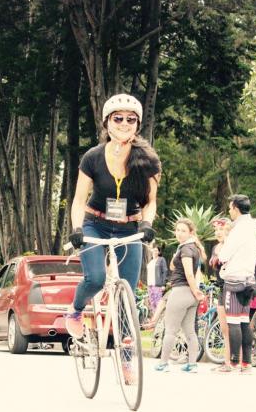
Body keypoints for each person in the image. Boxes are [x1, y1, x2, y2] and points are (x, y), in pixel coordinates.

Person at [65, 93, 161, 339]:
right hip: (95, 225)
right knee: (96, 279)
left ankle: (128, 352)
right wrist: (77, 229)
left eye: (131, 119)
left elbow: (151, 202)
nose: (124, 124)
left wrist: (147, 223)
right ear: (107, 122)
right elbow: (78, 201)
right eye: (118, 118)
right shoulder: (93, 157)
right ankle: (76, 310)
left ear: (138, 125)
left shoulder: (148, 160)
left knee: (127, 293)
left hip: (129, 228)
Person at [154, 219, 204, 372]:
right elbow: (172, 266)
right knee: (190, 331)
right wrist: (195, 293)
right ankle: (192, 364)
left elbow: (189, 273)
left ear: (190, 232)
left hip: (181, 291)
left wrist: (196, 290)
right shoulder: (191, 247)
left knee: (170, 330)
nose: (179, 233)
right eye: (178, 230)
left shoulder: (186, 249)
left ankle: (163, 364)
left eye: (183, 230)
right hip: (190, 295)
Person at [217, 194, 256, 373]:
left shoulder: (239, 228)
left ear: (235, 208)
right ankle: (247, 363)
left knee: (233, 321)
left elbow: (224, 255)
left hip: (234, 279)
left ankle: (233, 362)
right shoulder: (255, 225)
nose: (229, 211)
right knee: (244, 321)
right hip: (249, 279)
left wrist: (222, 254)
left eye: (230, 208)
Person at [208, 218, 233, 371]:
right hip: (221, 288)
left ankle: (232, 362)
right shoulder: (216, 247)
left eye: (221, 230)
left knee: (233, 327)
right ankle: (227, 361)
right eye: (216, 230)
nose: (218, 232)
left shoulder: (232, 248)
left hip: (232, 287)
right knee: (224, 328)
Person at [146, 247, 168, 313]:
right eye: (154, 250)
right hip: (149, 284)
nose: (155, 252)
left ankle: (159, 318)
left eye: (156, 250)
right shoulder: (151, 261)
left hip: (157, 284)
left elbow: (165, 271)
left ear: (159, 252)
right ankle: (154, 320)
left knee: (158, 302)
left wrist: (164, 284)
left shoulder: (161, 259)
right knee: (152, 302)